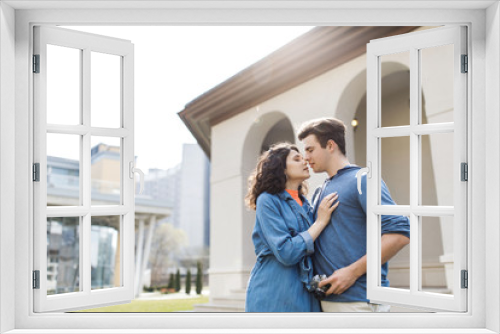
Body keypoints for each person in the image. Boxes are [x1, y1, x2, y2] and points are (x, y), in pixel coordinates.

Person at [298, 118, 410, 313]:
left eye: (310, 149)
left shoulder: (363, 179)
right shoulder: (318, 192)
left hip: (360, 301)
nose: (306, 157)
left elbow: (399, 235)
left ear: (330, 145)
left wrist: (352, 272)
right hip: (329, 302)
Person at [244, 142, 339, 312]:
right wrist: (320, 222)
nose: (305, 162)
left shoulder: (306, 204)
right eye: (297, 159)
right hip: (274, 292)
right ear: (282, 168)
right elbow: (286, 252)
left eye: (303, 158)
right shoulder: (267, 200)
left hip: (306, 294)